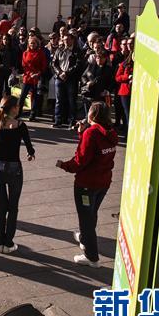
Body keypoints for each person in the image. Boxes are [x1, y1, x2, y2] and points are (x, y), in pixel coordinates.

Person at [55, 102, 118, 267]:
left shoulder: (91, 134)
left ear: (92, 115)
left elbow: (80, 160)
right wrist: (83, 133)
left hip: (86, 184)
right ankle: (84, 237)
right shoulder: (110, 133)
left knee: (86, 219)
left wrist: (64, 165)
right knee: (92, 213)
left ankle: (92, 257)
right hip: (103, 182)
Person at [0, 96, 35, 254]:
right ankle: (8, 243)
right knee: (13, 207)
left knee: (2, 205)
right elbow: (29, 148)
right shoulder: (20, 126)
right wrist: (30, 154)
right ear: (13, 108)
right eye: (18, 105)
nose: (19, 108)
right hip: (15, 168)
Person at [52, 33, 81, 129]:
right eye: (64, 40)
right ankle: (58, 120)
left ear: (72, 40)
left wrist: (67, 73)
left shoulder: (77, 51)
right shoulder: (59, 50)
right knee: (59, 100)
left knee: (71, 100)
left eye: (68, 40)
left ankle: (72, 121)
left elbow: (78, 65)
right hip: (60, 78)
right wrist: (60, 73)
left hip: (71, 78)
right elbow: (54, 63)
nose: (66, 42)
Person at [19, 36, 47, 121]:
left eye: (34, 43)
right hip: (27, 77)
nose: (32, 44)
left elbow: (44, 65)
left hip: (36, 77)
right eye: (31, 43)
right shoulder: (25, 53)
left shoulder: (40, 53)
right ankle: (17, 113)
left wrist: (37, 73)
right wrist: (29, 73)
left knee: (34, 97)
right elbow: (24, 65)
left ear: (37, 44)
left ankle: (32, 114)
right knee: (22, 96)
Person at [115, 37, 134, 132]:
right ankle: (127, 134)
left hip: (135, 91)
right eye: (127, 44)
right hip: (125, 91)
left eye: (131, 44)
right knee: (127, 114)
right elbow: (117, 77)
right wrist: (128, 77)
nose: (129, 46)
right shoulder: (125, 61)